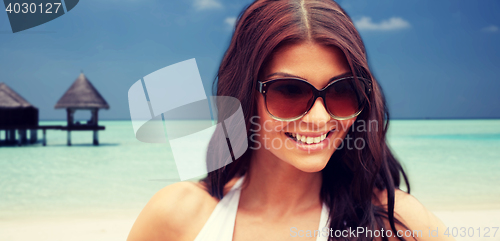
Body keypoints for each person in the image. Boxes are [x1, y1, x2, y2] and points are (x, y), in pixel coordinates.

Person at [127, 0, 453, 240]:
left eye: (342, 91)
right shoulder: (177, 217)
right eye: (290, 91)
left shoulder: (395, 223)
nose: (320, 117)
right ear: (244, 93)